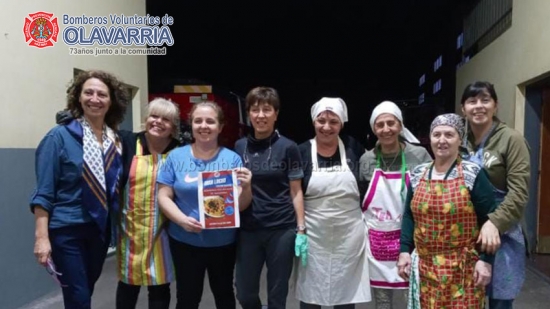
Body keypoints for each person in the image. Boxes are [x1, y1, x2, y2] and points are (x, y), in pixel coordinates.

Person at [30, 70, 128, 308]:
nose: (95, 99)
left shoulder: (113, 140)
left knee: (85, 290)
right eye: (89, 93)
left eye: (102, 94)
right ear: (78, 97)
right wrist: (41, 238)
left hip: (98, 230)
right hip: (66, 230)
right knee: (79, 296)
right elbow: (44, 192)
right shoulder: (59, 137)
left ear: (111, 101)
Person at [157, 101, 252, 309]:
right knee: (187, 298)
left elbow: (241, 206)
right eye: (198, 121)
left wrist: (246, 187)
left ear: (220, 126)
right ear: (191, 125)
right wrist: (181, 220)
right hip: (185, 240)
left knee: (225, 296)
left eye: (210, 121)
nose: (204, 126)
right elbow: (163, 196)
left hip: (223, 242)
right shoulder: (176, 157)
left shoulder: (232, 160)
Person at [397, 113, 496, 309]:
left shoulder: (473, 173)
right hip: (425, 268)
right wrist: (404, 252)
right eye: (437, 134)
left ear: (460, 139)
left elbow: (490, 220)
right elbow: (409, 215)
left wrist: (486, 261)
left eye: (449, 135)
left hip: (463, 271)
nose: (442, 140)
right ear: (430, 139)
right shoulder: (418, 174)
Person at [233, 86, 306, 309]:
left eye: (267, 110)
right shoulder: (239, 146)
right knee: (245, 292)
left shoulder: (289, 147)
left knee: (277, 291)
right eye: (255, 110)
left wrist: (301, 228)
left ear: (276, 114)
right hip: (248, 228)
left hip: (281, 229)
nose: (261, 115)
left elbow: (296, 190)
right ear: (248, 114)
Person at [295, 97, 371, 308]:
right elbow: (295, 192)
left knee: (345, 292)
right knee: (311, 291)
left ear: (342, 124)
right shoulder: (301, 152)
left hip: (349, 234)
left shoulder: (354, 147)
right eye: (321, 121)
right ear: (313, 122)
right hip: (313, 232)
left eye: (333, 121)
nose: (327, 127)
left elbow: (366, 187)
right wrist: (300, 229)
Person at [460, 81, 530, 309]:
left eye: (485, 100)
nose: (478, 106)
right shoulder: (460, 141)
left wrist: (494, 223)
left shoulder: (511, 139)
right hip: (465, 230)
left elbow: (519, 193)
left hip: (501, 232)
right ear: (463, 108)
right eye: (472, 101)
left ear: (495, 105)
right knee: (466, 296)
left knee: (499, 298)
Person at [359, 101, 432, 309]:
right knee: (382, 300)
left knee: (415, 294)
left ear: (400, 126)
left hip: (414, 235)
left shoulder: (419, 155)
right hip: (378, 238)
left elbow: (429, 194)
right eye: (380, 125)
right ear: (374, 129)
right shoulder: (367, 160)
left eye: (391, 123)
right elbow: (362, 200)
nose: (386, 129)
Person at [115, 98, 182, 309]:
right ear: (146, 119)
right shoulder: (127, 142)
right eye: (154, 116)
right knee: (128, 284)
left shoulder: (180, 152)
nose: (158, 122)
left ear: (174, 127)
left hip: (165, 231)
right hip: (130, 230)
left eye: (166, 119)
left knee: (160, 285)